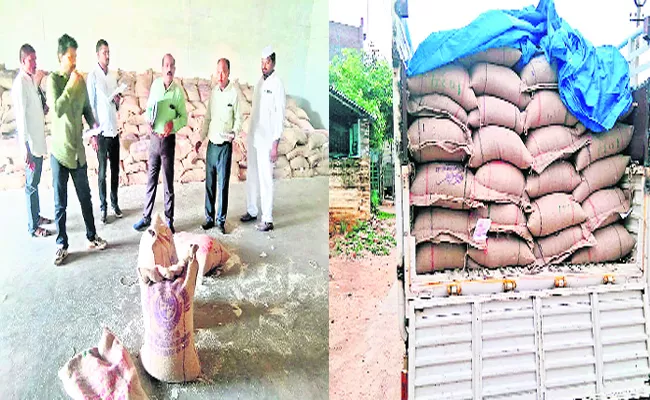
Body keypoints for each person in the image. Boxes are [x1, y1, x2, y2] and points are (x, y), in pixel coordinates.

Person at [47, 34, 107, 265]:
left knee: (85, 197)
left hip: (77, 152)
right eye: (70, 57)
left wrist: (93, 124)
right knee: (59, 201)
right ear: (60, 57)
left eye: (75, 57)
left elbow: (86, 108)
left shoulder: (80, 81)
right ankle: (62, 244)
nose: (74, 62)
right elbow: (57, 108)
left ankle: (91, 236)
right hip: (60, 153)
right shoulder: (53, 81)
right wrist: (71, 85)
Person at [133, 54, 188, 234]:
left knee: (168, 182)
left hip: (168, 140)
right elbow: (149, 108)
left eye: (172, 65)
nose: (169, 68)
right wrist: (149, 119)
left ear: (175, 68)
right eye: (166, 65)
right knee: (151, 179)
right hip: (154, 139)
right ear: (162, 68)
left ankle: (169, 220)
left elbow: (184, 117)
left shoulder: (178, 92)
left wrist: (174, 124)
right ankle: (146, 217)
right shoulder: (156, 85)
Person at [241, 45, 285, 232]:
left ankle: (267, 219)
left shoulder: (277, 84)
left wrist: (276, 143)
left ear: (273, 63)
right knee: (252, 175)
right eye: (262, 62)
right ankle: (252, 210)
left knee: (266, 178)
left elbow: (279, 115)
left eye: (267, 62)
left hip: (268, 140)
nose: (264, 65)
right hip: (254, 137)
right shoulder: (259, 83)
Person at [195, 58, 242, 234]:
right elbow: (207, 117)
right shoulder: (214, 92)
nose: (220, 75)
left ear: (229, 72)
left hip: (224, 146)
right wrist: (201, 138)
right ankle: (209, 218)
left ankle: (221, 220)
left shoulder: (234, 94)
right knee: (210, 184)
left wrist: (234, 133)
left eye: (223, 72)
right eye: (218, 72)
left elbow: (239, 119)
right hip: (212, 145)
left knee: (222, 184)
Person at [12, 44, 53, 238]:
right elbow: (21, 118)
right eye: (31, 60)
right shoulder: (20, 84)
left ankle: (36, 217)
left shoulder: (30, 81)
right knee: (30, 185)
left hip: (37, 141)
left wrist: (42, 109)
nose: (35, 63)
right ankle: (33, 227)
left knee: (35, 183)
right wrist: (25, 147)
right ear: (22, 62)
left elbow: (33, 108)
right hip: (30, 144)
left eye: (35, 59)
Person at [86, 39, 123, 224]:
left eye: (109, 52)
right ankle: (103, 207)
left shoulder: (113, 76)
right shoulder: (92, 77)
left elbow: (116, 106)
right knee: (102, 172)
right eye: (104, 53)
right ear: (97, 55)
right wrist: (92, 134)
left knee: (116, 170)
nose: (107, 56)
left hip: (114, 130)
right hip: (101, 132)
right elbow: (90, 107)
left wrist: (117, 100)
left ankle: (115, 203)